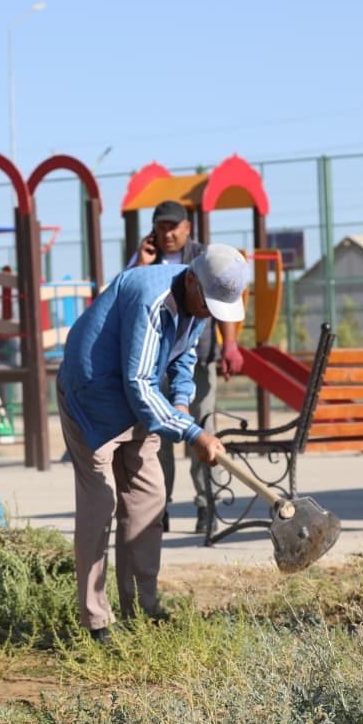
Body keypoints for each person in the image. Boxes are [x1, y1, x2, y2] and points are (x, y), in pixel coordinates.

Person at [58, 243, 247, 642]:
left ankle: (141, 607)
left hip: (140, 405)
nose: (211, 314)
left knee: (148, 498)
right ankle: (96, 621)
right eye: (210, 303)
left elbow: (184, 358)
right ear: (191, 278)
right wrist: (193, 433)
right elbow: (139, 382)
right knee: (100, 505)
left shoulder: (198, 304)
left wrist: (180, 404)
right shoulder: (152, 297)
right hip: (93, 400)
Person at [129, 199, 245, 533]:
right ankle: (158, 508)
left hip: (198, 359)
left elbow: (225, 303)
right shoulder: (145, 259)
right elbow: (129, 295)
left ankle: (208, 506)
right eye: (160, 226)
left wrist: (230, 345)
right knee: (158, 440)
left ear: (187, 227)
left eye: (172, 226)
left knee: (203, 433)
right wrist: (141, 262)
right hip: (152, 368)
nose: (166, 233)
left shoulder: (205, 259)